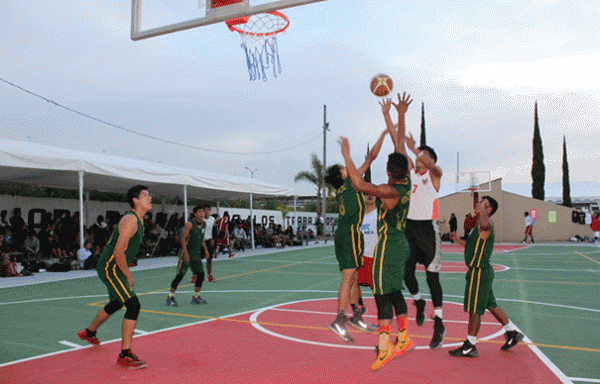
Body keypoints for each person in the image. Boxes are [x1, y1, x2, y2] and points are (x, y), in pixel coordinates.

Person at [340, 118, 414, 370]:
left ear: (389, 171)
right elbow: (400, 147)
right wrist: (398, 115)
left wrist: (347, 155)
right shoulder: (407, 183)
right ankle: (403, 338)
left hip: (388, 245)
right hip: (401, 242)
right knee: (395, 292)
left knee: (382, 296)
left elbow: (359, 184)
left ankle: (385, 348)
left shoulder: (390, 191)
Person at [324, 125, 389, 344]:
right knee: (348, 277)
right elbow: (367, 162)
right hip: (350, 232)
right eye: (344, 167)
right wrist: (347, 153)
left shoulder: (346, 185)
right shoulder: (350, 183)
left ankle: (356, 314)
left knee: (352, 277)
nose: (347, 167)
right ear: (342, 175)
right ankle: (339, 320)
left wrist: (380, 136)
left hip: (346, 232)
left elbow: (369, 160)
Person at [77, 185, 152, 370]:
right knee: (133, 305)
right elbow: (118, 252)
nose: (150, 198)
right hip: (111, 267)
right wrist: (128, 275)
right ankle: (124, 355)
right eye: (145, 195)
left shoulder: (139, 220)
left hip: (113, 266)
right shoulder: (130, 219)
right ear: (135, 200)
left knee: (118, 302)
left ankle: (89, 332)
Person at [390, 120, 445, 349]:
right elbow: (398, 147)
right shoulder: (411, 173)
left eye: (423, 153)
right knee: (406, 274)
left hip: (427, 230)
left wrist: (416, 149)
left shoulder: (433, 176)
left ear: (428, 157)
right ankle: (419, 302)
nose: (418, 155)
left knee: (432, 278)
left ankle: (439, 323)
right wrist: (395, 116)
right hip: (409, 228)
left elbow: (435, 168)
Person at [449, 196, 524, 357]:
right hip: (480, 272)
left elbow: (485, 223)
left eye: (482, 204)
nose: (477, 205)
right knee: (491, 305)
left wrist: (482, 207)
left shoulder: (486, 225)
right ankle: (512, 332)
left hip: (479, 272)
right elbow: (471, 245)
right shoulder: (478, 227)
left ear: (488, 209)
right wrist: (457, 240)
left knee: (475, 310)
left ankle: (470, 344)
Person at [166, 205, 210, 307]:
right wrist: (185, 253)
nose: (202, 213)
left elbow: (201, 239)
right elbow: (183, 239)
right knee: (180, 275)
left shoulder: (204, 224)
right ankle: (170, 297)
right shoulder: (190, 224)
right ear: (195, 214)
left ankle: (196, 297)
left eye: (203, 212)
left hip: (196, 254)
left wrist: (206, 250)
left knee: (201, 275)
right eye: (199, 211)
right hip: (186, 253)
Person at [357, 193, 377, 329]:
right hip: (360, 256)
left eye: (372, 193)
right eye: (366, 193)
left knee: (376, 289)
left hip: (374, 256)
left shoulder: (379, 214)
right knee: (353, 283)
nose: (369, 196)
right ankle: (360, 306)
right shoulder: (359, 215)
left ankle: (380, 316)